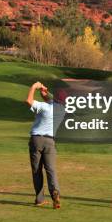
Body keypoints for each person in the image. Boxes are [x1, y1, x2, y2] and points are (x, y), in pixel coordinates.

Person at [25, 81, 64, 209]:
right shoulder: (62, 109)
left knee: (37, 171)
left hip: (36, 140)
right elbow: (51, 100)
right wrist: (44, 93)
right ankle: (55, 192)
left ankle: (39, 199)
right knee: (51, 170)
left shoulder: (44, 107)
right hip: (50, 142)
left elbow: (29, 101)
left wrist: (34, 87)